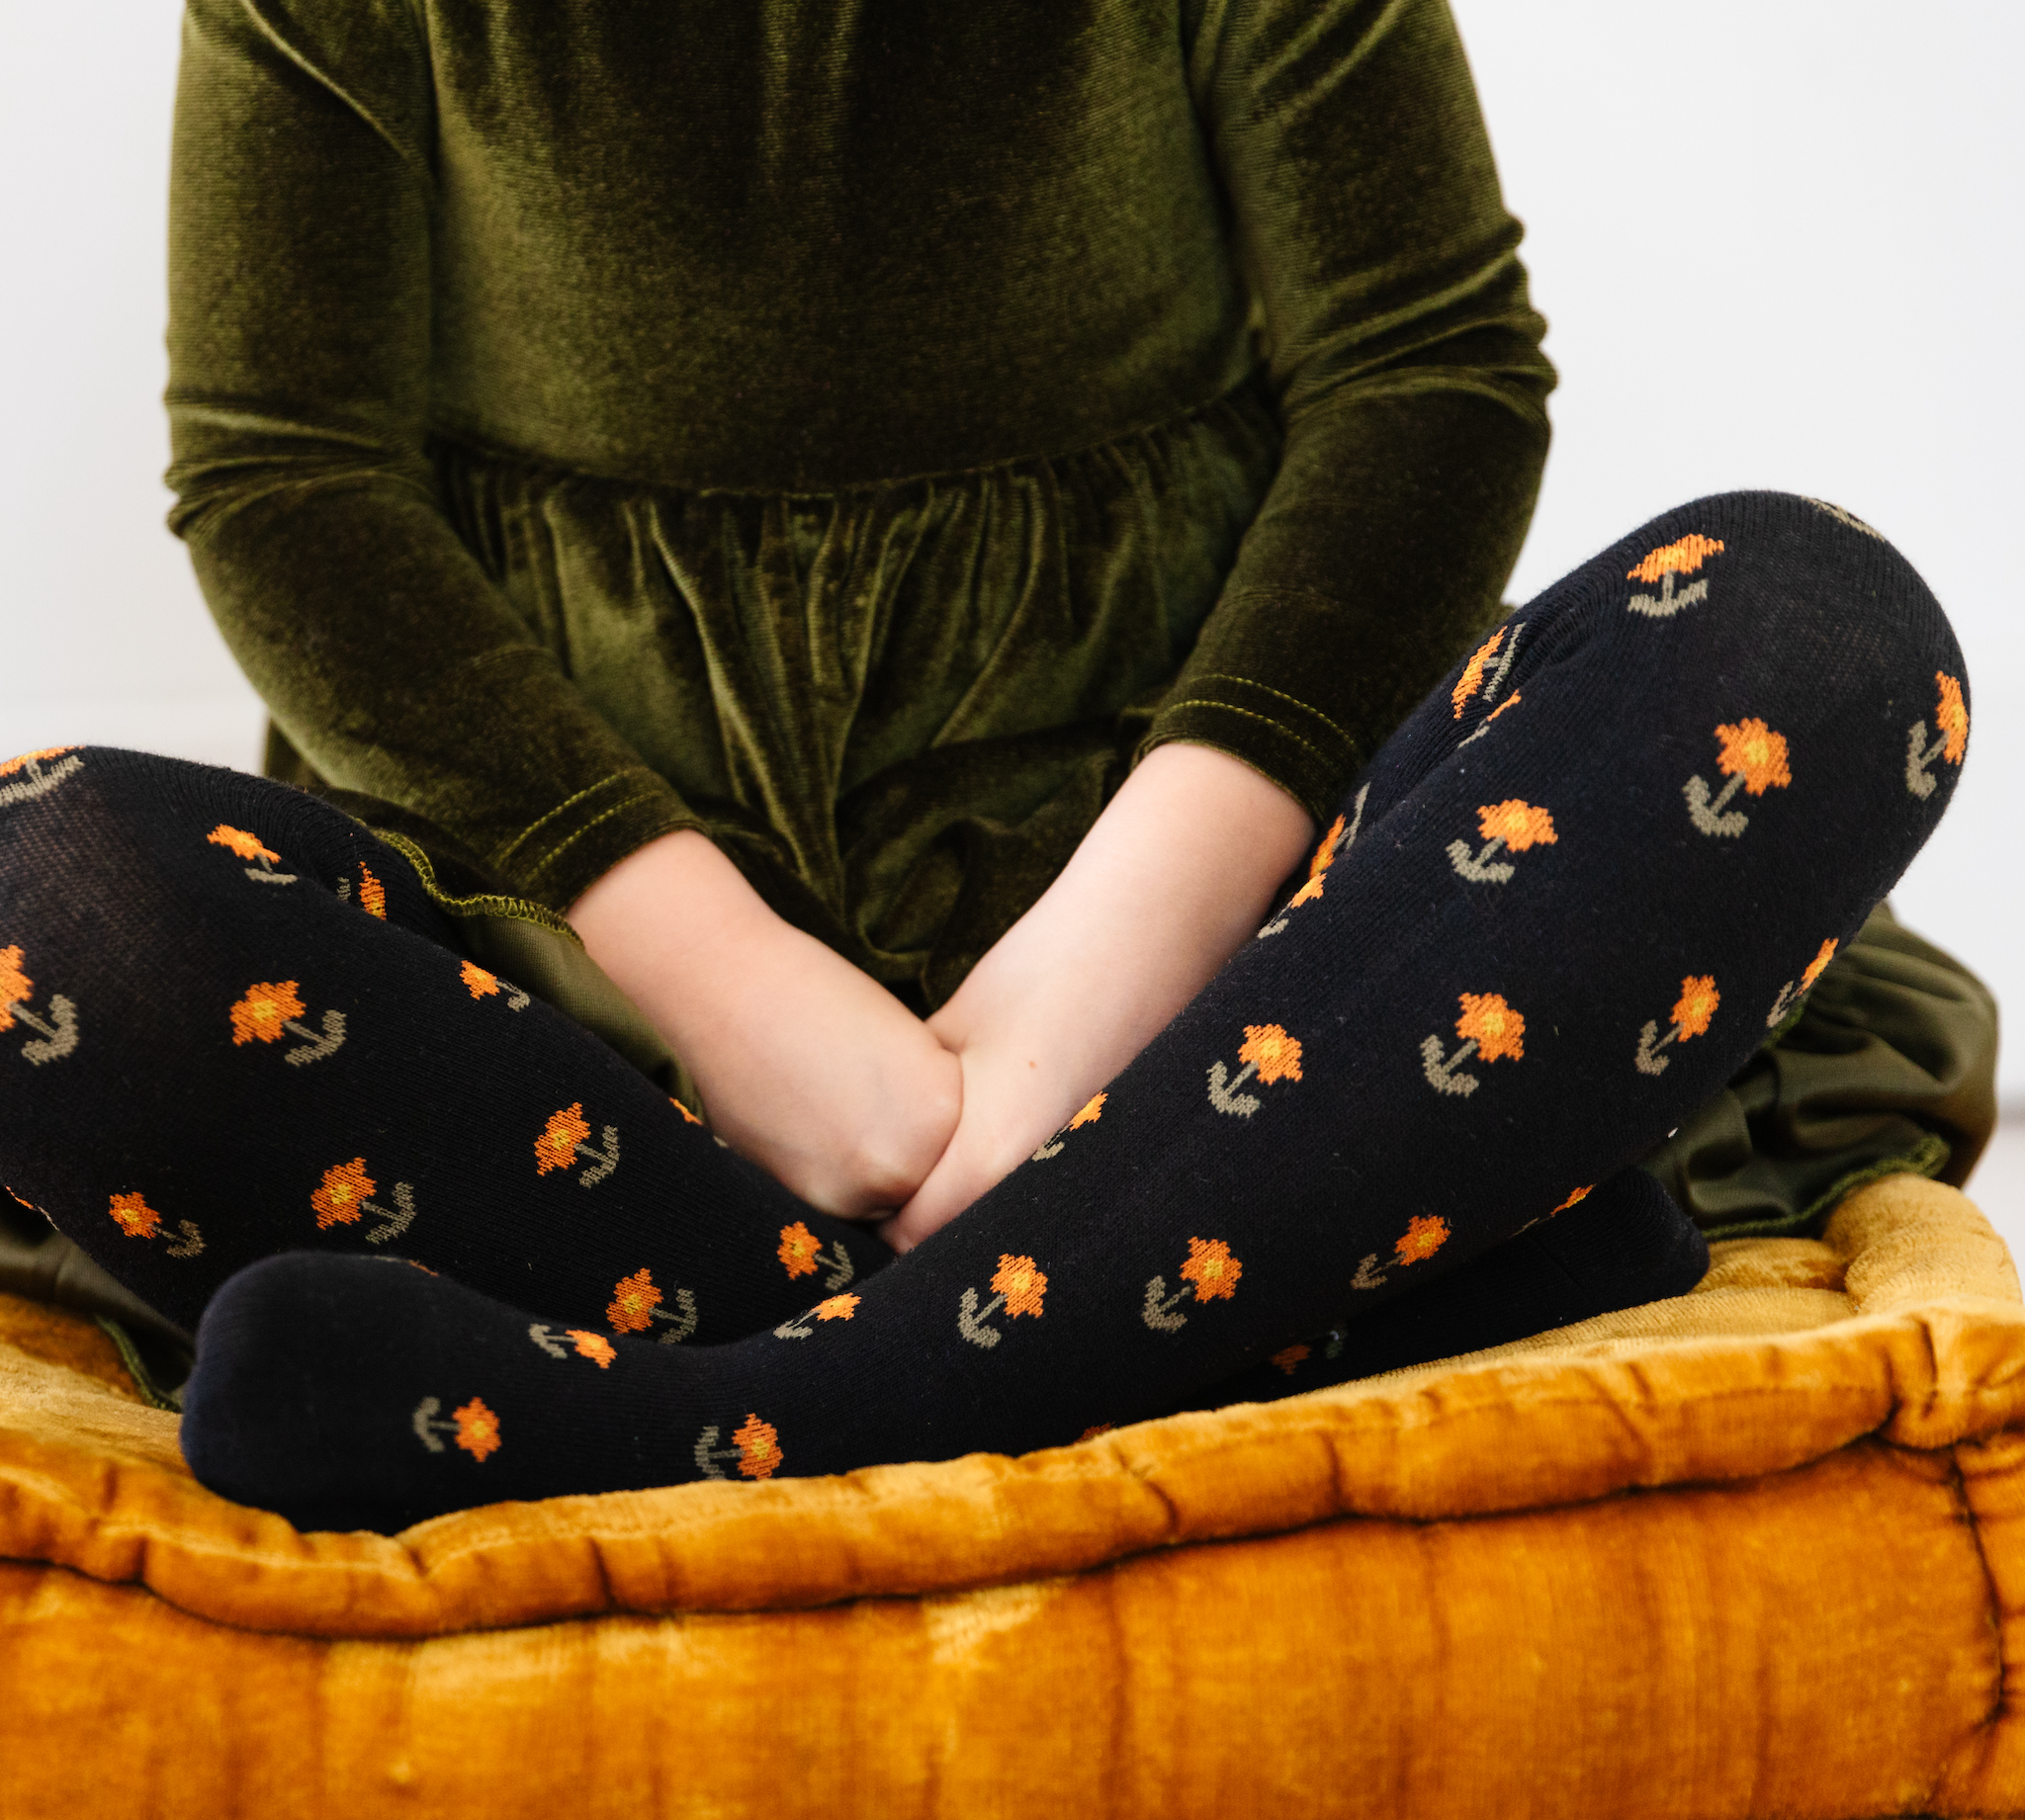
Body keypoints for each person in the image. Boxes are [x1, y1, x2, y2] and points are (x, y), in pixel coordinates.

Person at [0, 0, 1988, 1530]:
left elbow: (1428, 377)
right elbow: (285, 480)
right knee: (41, 894)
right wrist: (744, 995)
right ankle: (1245, 1297)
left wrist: (1072, 1014)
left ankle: (758, 1405)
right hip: (597, 1027)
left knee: (1816, 629)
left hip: (1241, 982)